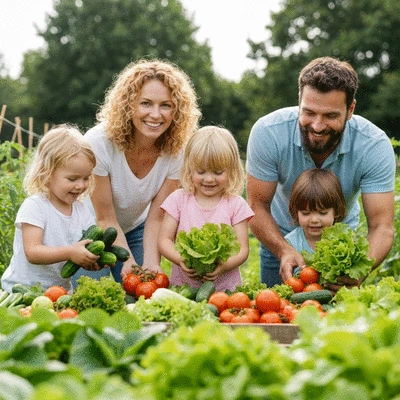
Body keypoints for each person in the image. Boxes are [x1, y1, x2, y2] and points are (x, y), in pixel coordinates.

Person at [246, 56, 396, 291]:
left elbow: (381, 227)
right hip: (280, 237)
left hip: (340, 247)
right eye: (309, 113)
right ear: (299, 103)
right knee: (277, 320)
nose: (317, 125)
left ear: (350, 110)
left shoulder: (373, 145)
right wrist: (285, 250)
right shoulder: (268, 133)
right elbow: (256, 207)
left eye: (330, 116)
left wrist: (360, 269)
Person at [76, 58, 201, 285]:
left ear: (177, 110)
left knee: (138, 297)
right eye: (146, 103)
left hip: (135, 229)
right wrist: (128, 263)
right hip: (88, 231)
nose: (155, 114)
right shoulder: (99, 143)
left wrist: (152, 261)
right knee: (96, 297)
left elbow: (157, 215)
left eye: (166, 105)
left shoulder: (177, 150)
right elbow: (105, 217)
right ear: (128, 105)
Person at [1, 125, 102, 293]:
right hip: (21, 291)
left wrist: (89, 260)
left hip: (59, 292)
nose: (80, 185)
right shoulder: (35, 206)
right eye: (72, 178)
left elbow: (82, 248)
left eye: (86, 178)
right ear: (47, 173)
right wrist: (70, 252)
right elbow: (32, 252)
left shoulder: (82, 211)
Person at [158, 126, 254, 292]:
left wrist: (224, 266)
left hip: (226, 292)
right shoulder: (178, 200)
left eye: (218, 172)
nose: (209, 179)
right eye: (201, 172)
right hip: (184, 289)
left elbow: (242, 249)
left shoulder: (235, 204)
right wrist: (180, 259)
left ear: (231, 171)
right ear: (189, 169)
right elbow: (164, 240)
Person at [285, 168, 346, 254]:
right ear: (296, 212)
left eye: (323, 213)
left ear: (336, 211)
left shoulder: (344, 239)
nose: (314, 220)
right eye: (306, 213)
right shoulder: (290, 243)